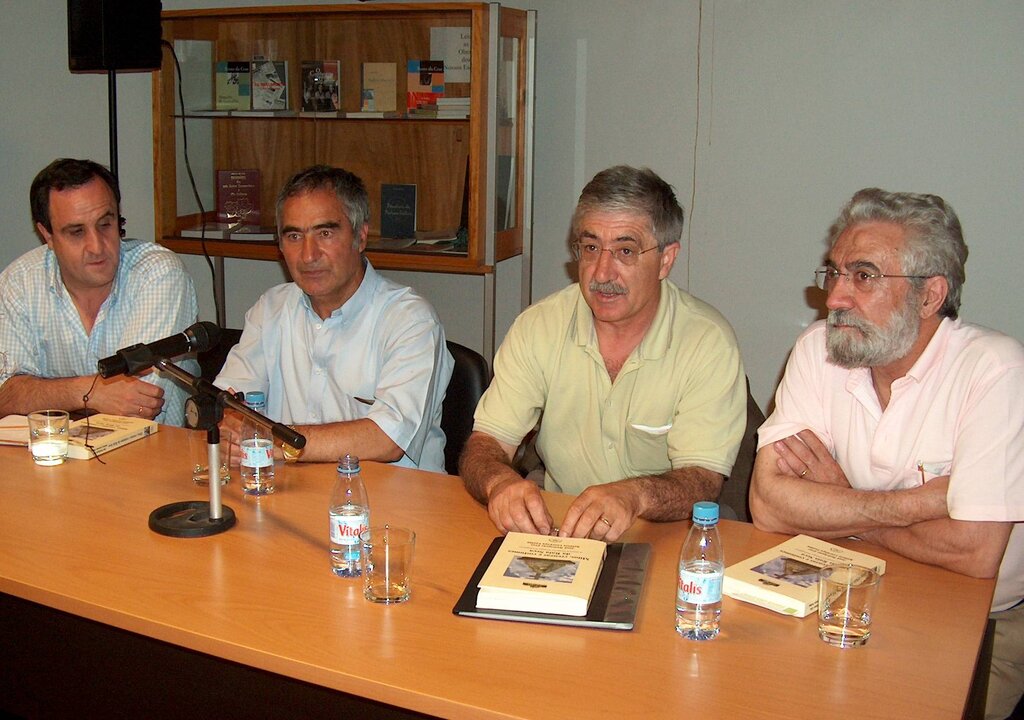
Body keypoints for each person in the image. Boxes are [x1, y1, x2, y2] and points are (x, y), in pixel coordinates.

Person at [748, 188, 1024, 720]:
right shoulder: (818, 349)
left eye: (864, 276)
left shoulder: (997, 372)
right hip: (834, 594)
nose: (834, 298)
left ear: (930, 296)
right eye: (834, 273)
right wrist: (919, 505)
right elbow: (770, 505)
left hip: (974, 626)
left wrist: (839, 506)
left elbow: (974, 554)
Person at [460, 165, 746, 542]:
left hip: (662, 533)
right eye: (591, 247)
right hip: (561, 524)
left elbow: (703, 479)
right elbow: (486, 444)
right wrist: (499, 483)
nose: (601, 272)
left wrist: (634, 495)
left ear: (665, 259)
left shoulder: (707, 342)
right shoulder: (539, 326)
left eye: (625, 251)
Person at [215, 165, 453, 472]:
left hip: (393, 508)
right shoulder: (270, 309)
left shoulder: (410, 320)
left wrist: (271, 440)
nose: (308, 254)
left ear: (361, 236)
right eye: (294, 236)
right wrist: (232, 425)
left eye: (324, 233)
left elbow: (387, 439)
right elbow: (230, 402)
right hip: (292, 499)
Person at [0, 158, 199, 426]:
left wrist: (45, 396)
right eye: (76, 232)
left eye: (105, 224)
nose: (96, 246)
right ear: (46, 234)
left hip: (150, 459)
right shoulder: (20, 282)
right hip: (53, 461)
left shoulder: (158, 273)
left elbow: (138, 404)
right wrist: (91, 392)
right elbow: (6, 395)